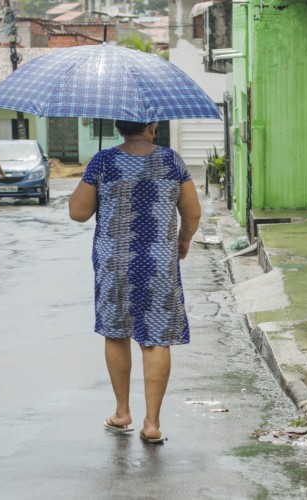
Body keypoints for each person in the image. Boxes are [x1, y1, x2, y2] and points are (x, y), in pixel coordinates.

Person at [68, 120, 201, 444]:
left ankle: (122, 412)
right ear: (152, 126)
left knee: (116, 334)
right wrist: (183, 240)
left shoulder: (103, 162)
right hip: (158, 264)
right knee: (155, 339)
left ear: (117, 126)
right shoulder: (171, 161)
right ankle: (152, 423)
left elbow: (78, 212)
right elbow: (193, 213)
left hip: (115, 263)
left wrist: (95, 179)